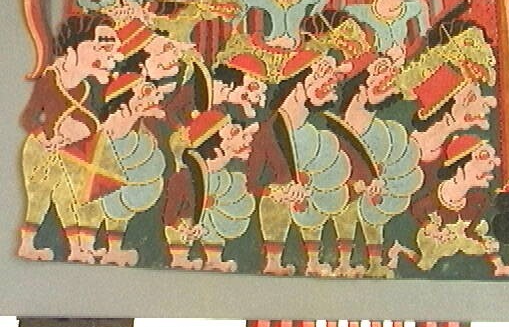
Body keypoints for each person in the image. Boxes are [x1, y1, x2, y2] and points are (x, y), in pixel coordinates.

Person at [18, 13, 122, 263]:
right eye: (96, 45)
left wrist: (84, 129)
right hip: (41, 151)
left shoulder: (93, 84)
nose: (103, 53)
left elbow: (99, 115)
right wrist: (44, 137)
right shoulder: (50, 78)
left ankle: (77, 249)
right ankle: (27, 245)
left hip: (74, 152)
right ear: (73, 48)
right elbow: (28, 117)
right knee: (39, 198)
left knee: (73, 200)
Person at [323, 46, 423, 278]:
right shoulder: (332, 129)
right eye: (379, 74)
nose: (387, 82)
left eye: (390, 77)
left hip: (374, 201)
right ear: (360, 87)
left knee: (375, 217)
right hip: (339, 198)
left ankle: (375, 262)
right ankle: (344, 261)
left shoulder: (385, 135)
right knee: (344, 213)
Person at [255, 49, 352, 276]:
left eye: (332, 78)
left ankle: (313, 260)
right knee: (273, 205)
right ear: (298, 87)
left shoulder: (318, 128)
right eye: (321, 75)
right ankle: (273, 261)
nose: (330, 84)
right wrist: (276, 191)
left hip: (309, 203)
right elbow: (253, 180)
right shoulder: (269, 132)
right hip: (279, 202)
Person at [163, 109, 258, 272]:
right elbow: (169, 216)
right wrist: (184, 228)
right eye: (233, 133)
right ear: (215, 148)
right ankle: (180, 258)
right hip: (183, 227)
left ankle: (214, 260)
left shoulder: (221, 178)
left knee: (215, 222)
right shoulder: (184, 178)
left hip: (207, 221)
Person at [409, 135, 509, 276]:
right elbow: (417, 209)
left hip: (460, 239)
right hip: (437, 240)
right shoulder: (435, 197)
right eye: (482, 157)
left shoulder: (480, 200)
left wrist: (483, 242)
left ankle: (500, 267)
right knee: (424, 265)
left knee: (484, 244)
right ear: (459, 170)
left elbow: (471, 230)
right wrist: (430, 227)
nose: (495, 163)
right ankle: (399, 250)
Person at [94, 72, 168, 267]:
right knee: (103, 207)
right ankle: (88, 245)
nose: (151, 99)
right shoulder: (117, 118)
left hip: (128, 170)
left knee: (121, 210)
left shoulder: (138, 121)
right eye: (144, 93)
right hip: (106, 168)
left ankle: (114, 249)